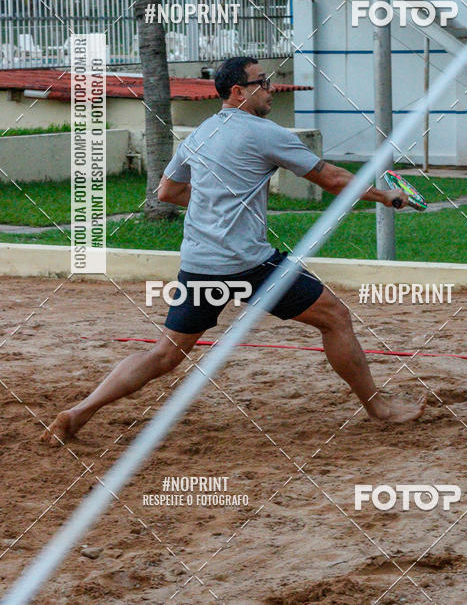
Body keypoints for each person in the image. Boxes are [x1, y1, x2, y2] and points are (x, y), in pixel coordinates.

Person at [43, 57, 425, 445]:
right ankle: (377, 406)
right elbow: (330, 178)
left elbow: (167, 193)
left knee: (164, 356)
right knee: (336, 318)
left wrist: (217, 202)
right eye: (264, 82)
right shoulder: (264, 133)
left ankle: (78, 413)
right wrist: (385, 195)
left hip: (199, 264)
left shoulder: (199, 135)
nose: (271, 88)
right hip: (249, 264)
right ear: (239, 92)